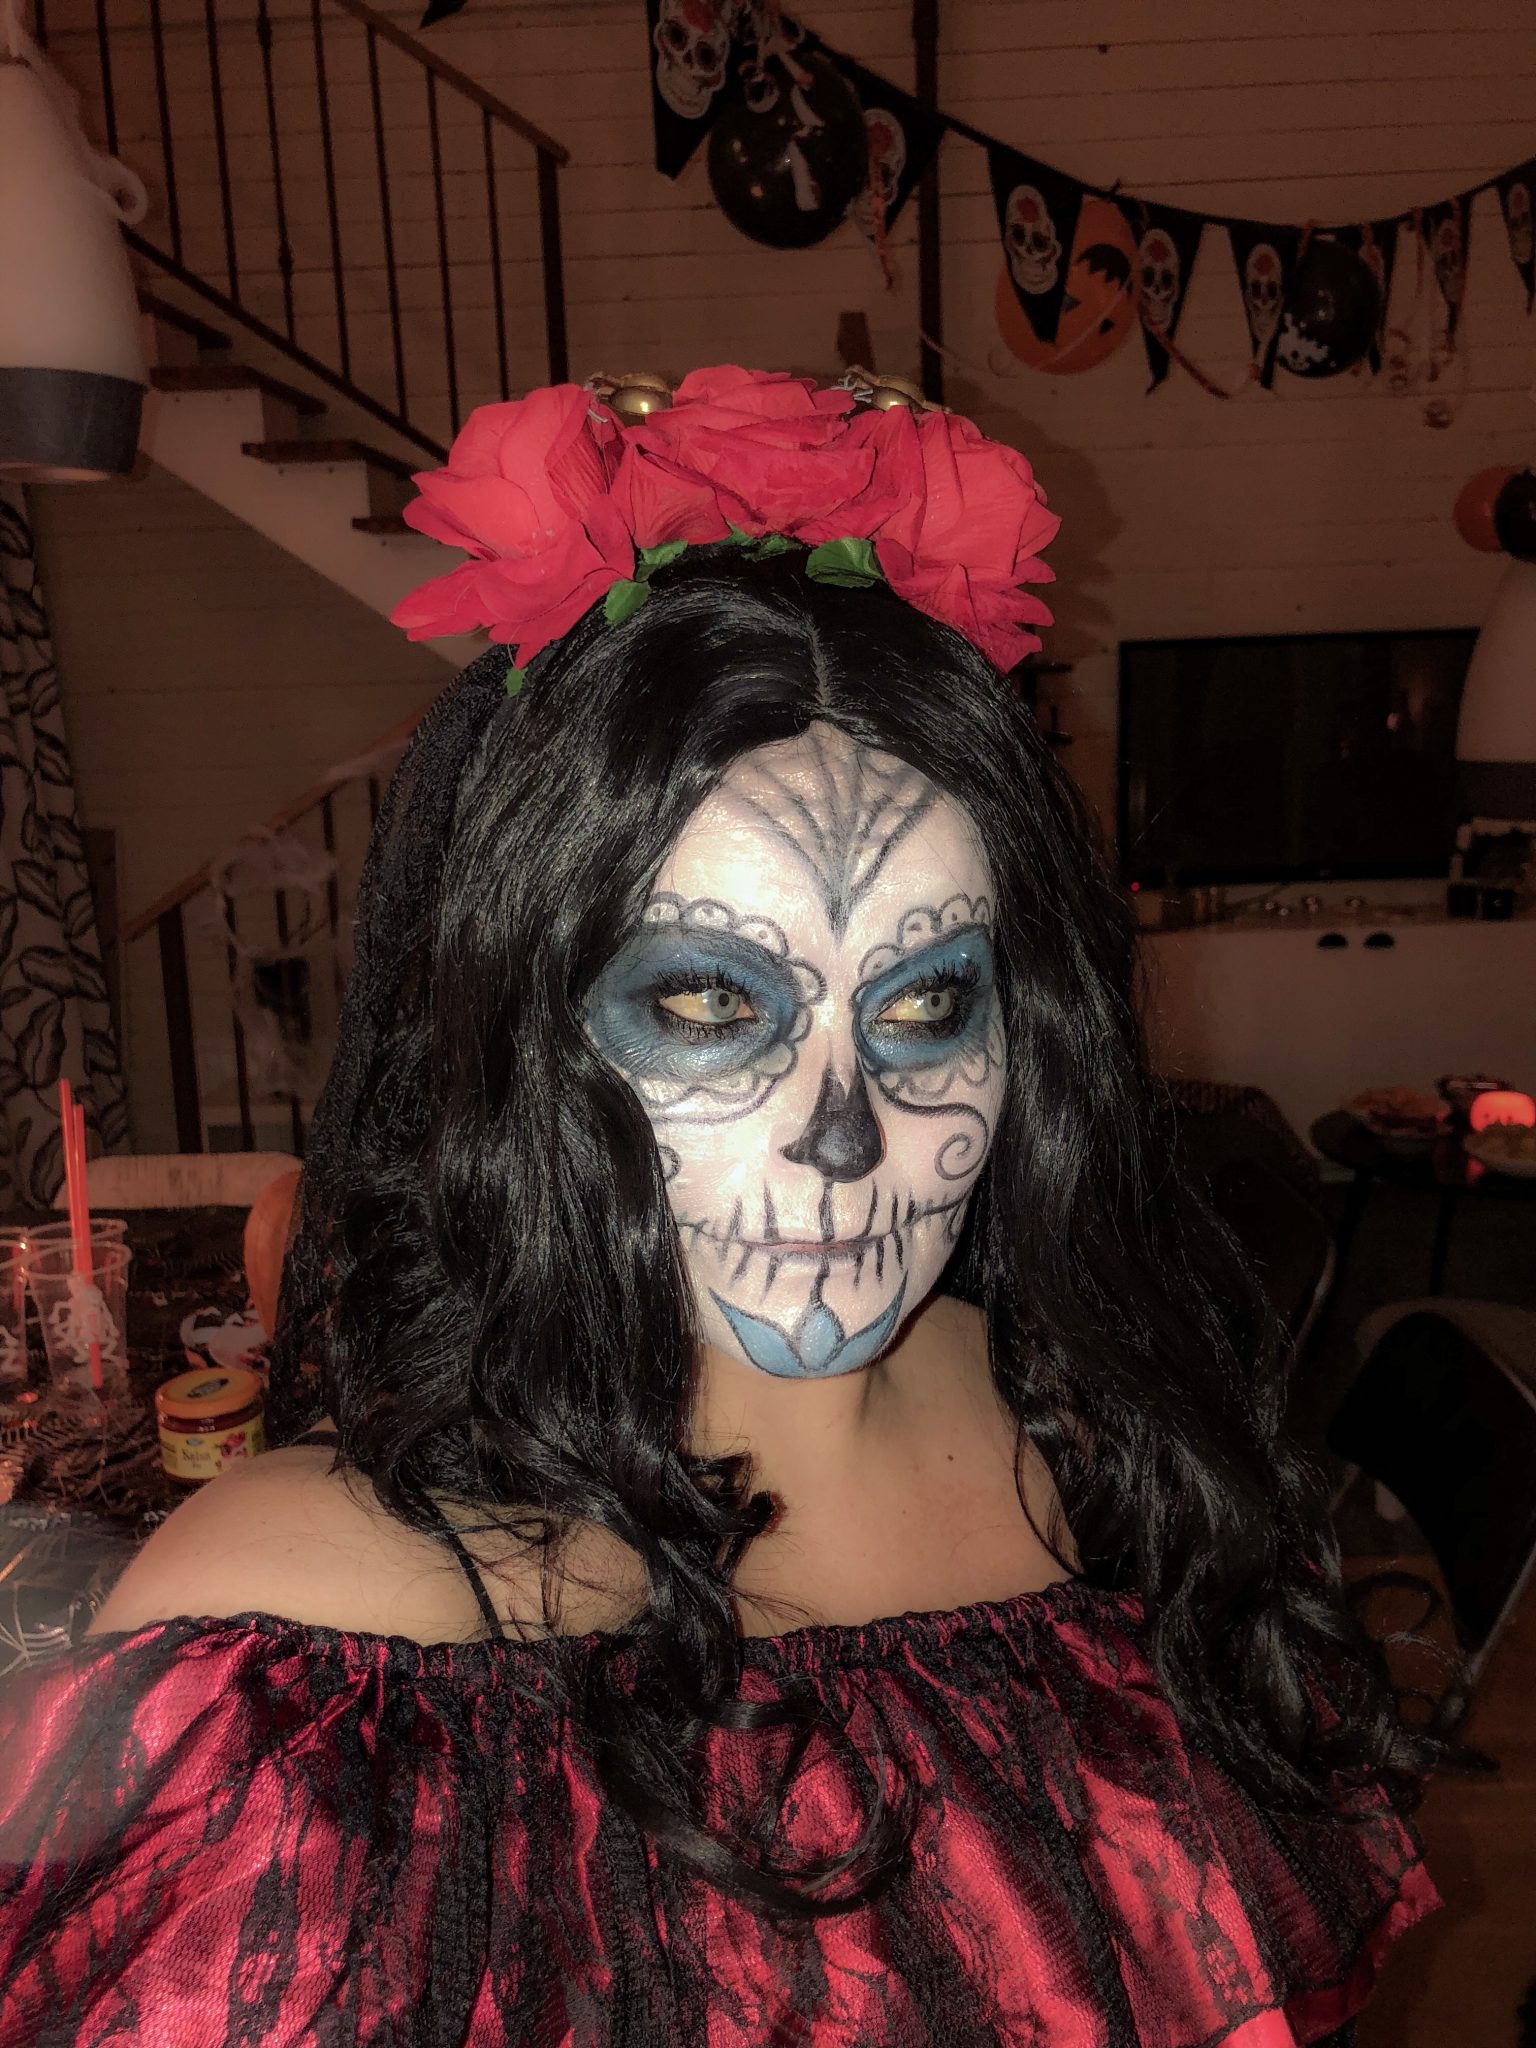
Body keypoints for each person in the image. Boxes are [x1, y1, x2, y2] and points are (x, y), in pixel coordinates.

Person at [0, 366, 1452, 2046]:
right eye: (708, 1005)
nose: (844, 1138)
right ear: (527, 1035)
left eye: (926, 1004)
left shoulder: (1106, 1449)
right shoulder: (303, 1654)